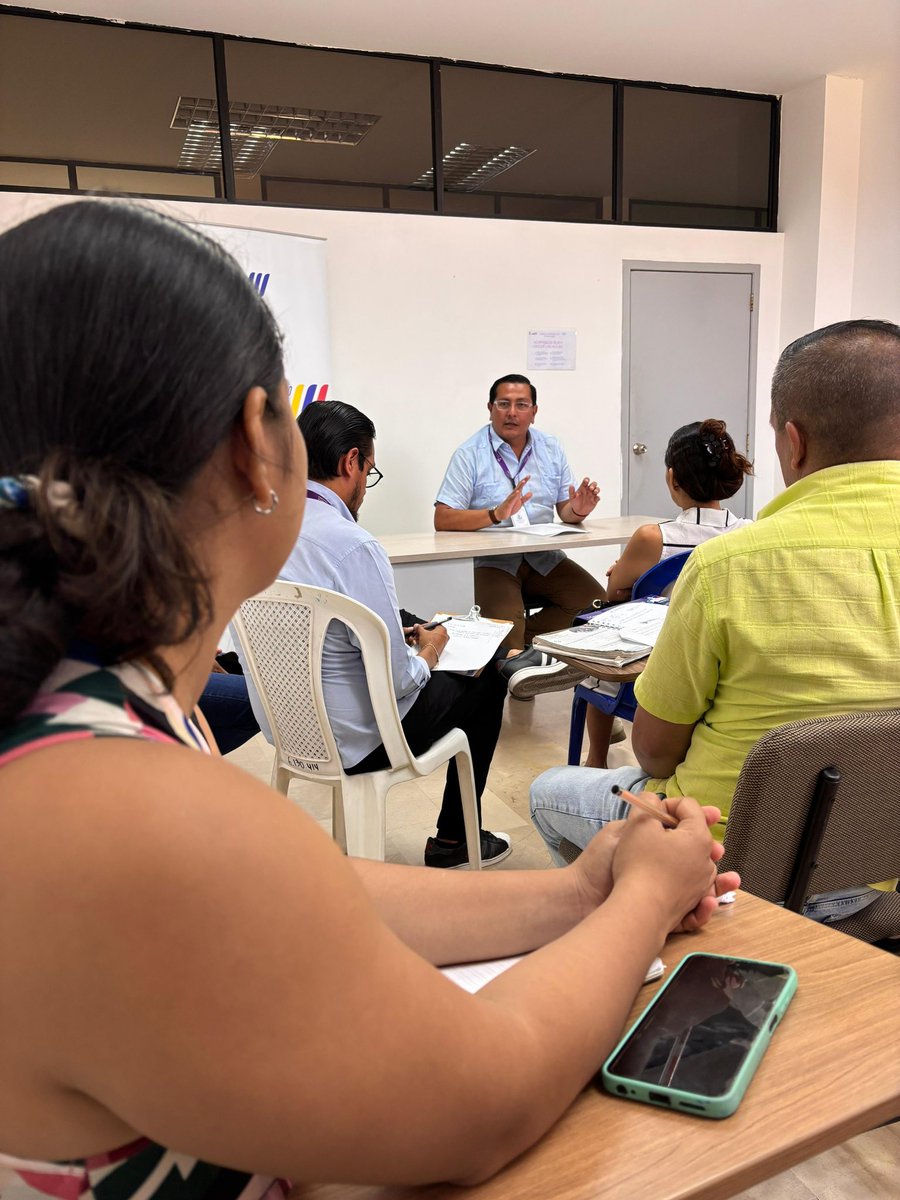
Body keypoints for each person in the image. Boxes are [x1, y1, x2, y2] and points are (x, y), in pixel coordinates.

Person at [0, 199, 737, 1198]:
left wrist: (578, 891)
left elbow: (303, 898)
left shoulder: (92, 704)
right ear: (257, 444)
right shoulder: (125, 814)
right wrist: (648, 895)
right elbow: (478, 1104)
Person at [531, 319, 900, 925]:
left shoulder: (730, 567)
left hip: (726, 863)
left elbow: (652, 753)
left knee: (549, 792)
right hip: (876, 869)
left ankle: (635, 935)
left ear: (793, 442)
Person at [282, 399, 511, 869]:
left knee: (414, 629)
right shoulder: (354, 546)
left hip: (291, 729)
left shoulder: (263, 529)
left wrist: (393, 635)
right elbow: (401, 682)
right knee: (488, 675)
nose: (366, 486)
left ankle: (455, 838)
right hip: (360, 739)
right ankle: (453, 841)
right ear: (351, 462)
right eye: (369, 470)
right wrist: (427, 650)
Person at [582, 419, 753, 769]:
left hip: (653, 656)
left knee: (598, 646)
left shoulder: (653, 537)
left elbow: (614, 593)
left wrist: (622, 572)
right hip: (724, 654)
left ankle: (596, 759)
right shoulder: (747, 532)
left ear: (672, 478)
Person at [434, 374, 607, 699]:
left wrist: (578, 509)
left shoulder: (550, 447)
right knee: (505, 637)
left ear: (534, 411)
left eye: (521, 405)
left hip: (544, 558)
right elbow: (442, 518)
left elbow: (564, 511)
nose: (512, 412)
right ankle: (514, 653)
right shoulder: (469, 453)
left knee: (596, 607)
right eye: (504, 404)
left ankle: (526, 647)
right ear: (490, 408)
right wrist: (494, 515)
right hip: (495, 563)